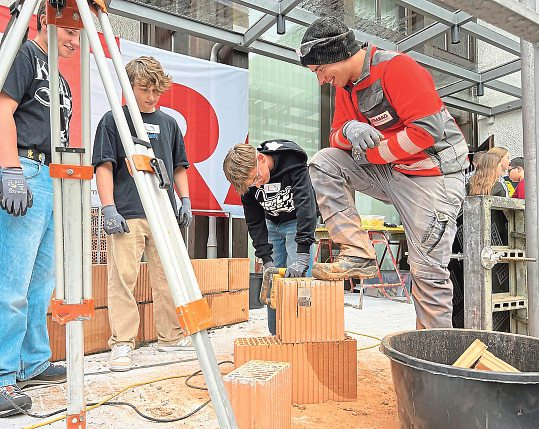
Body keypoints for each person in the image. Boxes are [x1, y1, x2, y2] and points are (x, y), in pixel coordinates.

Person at [299, 16, 469, 329]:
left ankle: (432, 356)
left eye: (320, 70)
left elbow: (426, 132)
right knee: (325, 162)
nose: (320, 80)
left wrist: (373, 152)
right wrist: (350, 129)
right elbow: (335, 137)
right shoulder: (347, 88)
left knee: (428, 271)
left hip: (434, 176)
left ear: (338, 55)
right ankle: (357, 252)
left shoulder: (397, 68)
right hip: (394, 170)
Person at [0, 0, 80, 416]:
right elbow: (2, 110)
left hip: (51, 177)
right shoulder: (21, 53)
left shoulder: (62, 82)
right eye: (68, 31)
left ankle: (32, 361)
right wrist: (10, 170)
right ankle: (1, 375)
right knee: (11, 280)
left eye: (77, 34)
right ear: (46, 19)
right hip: (25, 170)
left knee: (39, 280)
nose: (73, 39)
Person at [92, 56, 192, 372]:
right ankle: (122, 344)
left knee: (168, 279)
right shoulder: (114, 120)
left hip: (163, 213)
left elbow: (178, 166)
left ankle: (171, 338)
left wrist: (184, 200)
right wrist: (107, 206)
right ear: (129, 86)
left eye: (156, 91)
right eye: (144, 89)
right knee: (122, 279)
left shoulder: (169, 124)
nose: (151, 97)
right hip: (128, 212)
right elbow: (104, 165)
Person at [223, 141, 317, 335]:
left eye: (257, 177)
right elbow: (254, 221)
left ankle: (303, 334)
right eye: (252, 184)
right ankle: (277, 334)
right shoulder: (248, 181)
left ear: (261, 159)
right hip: (272, 224)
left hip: (296, 223)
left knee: (299, 281)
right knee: (273, 281)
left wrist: (302, 254)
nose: (257, 185)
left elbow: (306, 205)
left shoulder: (292, 161)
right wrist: (266, 258)